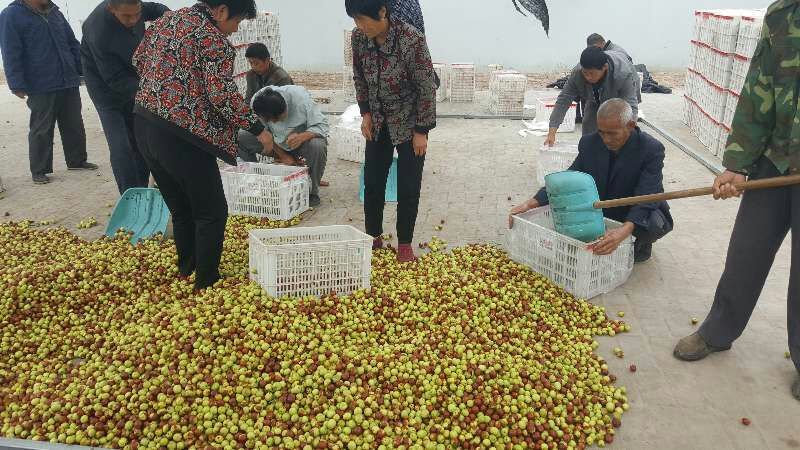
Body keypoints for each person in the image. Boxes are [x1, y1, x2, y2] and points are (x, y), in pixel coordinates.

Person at [673, 0, 800, 402]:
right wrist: (739, 162)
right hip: (775, 160)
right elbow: (758, 87)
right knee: (746, 251)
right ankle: (718, 331)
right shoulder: (784, 13)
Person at [133, 0, 273, 291]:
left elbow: (138, 61)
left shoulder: (164, 23)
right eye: (237, 22)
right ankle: (206, 282)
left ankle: (188, 268)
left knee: (181, 207)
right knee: (211, 211)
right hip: (182, 136)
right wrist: (258, 129)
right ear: (221, 11)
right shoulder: (212, 38)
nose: (234, 31)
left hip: (144, 124)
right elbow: (221, 94)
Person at [510, 99, 673, 263]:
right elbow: (569, 179)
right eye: (602, 132)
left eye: (612, 133)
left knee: (652, 222)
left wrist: (625, 229)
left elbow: (648, 193)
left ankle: (638, 241)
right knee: (571, 203)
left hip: (634, 209)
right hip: (602, 207)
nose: (606, 139)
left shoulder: (651, 149)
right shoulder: (590, 143)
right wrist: (531, 203)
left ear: (630, 126)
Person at [347, 0, 437, 263]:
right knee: (373, 182)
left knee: (409, 186)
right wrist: (365, 113)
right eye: (355, 20)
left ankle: (405, 243)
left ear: (383, 12)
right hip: (378, 121)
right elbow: (359, 77)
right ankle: (373, 235)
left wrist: (422, 130)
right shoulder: (359, 38)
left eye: (363, 19)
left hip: (409, 123)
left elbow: (426, 87)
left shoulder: (411, 40)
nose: (360, 26)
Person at [0, 0, 98, 185]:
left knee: (74, 123)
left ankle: (77, 160)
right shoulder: (11, 15)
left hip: (68, 79)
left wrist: (83, 69)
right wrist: (16, 83)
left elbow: (72, 43)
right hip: (39, 83)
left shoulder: (56, 12)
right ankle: (39, 170)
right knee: (41, 128)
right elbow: (10, 50)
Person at [81, 0, 169, 195]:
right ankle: (130, 197)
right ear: (111, 9)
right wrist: (152, 95)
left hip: (133, 77)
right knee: (121, 146)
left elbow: (156, 9)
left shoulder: (133, 7)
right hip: (106, 92)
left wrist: (171, 22)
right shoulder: (97, 30)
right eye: (126, 16)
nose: (134, 20)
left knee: (140, 140)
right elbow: (115, 78)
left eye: (137, 14)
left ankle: (143, 189)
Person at [240, 86, 329, 207]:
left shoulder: (301, 98)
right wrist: (283, 155)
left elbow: (322, 126)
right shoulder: (257, 101)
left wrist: (303, 136)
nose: (275, 122)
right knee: (240, 137)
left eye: (278, 118)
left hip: (300, 145)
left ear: (286, 108)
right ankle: (255, 183)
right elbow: (261, 131)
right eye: (271, 120)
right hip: (274, 145)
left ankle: (311, 192)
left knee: (318, 145)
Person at [545, 46, 640, 146]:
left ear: (605, 67)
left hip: (619, 95)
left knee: (616, 127)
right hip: (594, 98)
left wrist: (629, 136)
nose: (588, 77)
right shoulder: (577, 74)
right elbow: (563, 101)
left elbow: (631, 107)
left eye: (592, 73)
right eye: (585, 73)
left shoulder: (622, 74)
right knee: (589, 128)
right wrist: (551, 132)